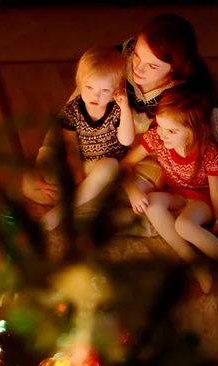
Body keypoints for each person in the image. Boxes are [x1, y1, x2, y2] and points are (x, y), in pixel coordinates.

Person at [119, 14, 218, 250]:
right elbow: (75, 108)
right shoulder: (121, 58)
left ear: (174, 69)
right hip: (114, 151)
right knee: (42, 188)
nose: (138, 69)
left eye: (153, 65)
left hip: (156, 161)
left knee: (130, 201)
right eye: (137, 56)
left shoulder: (194, 95)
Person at [120, 88, 218, 297]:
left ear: (194, 131)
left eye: (172, 131)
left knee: (183, 225)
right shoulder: (158, 138)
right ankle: (193, 262)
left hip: (201, 201)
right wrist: (132, 191)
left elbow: (215, 195)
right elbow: (126, 164)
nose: (163, 134)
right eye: (160, 126)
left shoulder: (209, 153)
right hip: (175, 193)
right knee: (152, 203)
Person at [22, 46, 134, 231]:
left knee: (110, 166)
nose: (95, 95)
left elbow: (126, 141)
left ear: (117, 89)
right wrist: (77, 175)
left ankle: (62, 213)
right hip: (83, 165)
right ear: (79, 82)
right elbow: (71, 146)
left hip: (108, 169)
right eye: (89, 87)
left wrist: (125, 108)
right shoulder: (72, 110)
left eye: (105, 90)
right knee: (30, 183)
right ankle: (86, 201)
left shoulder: (116, 109)